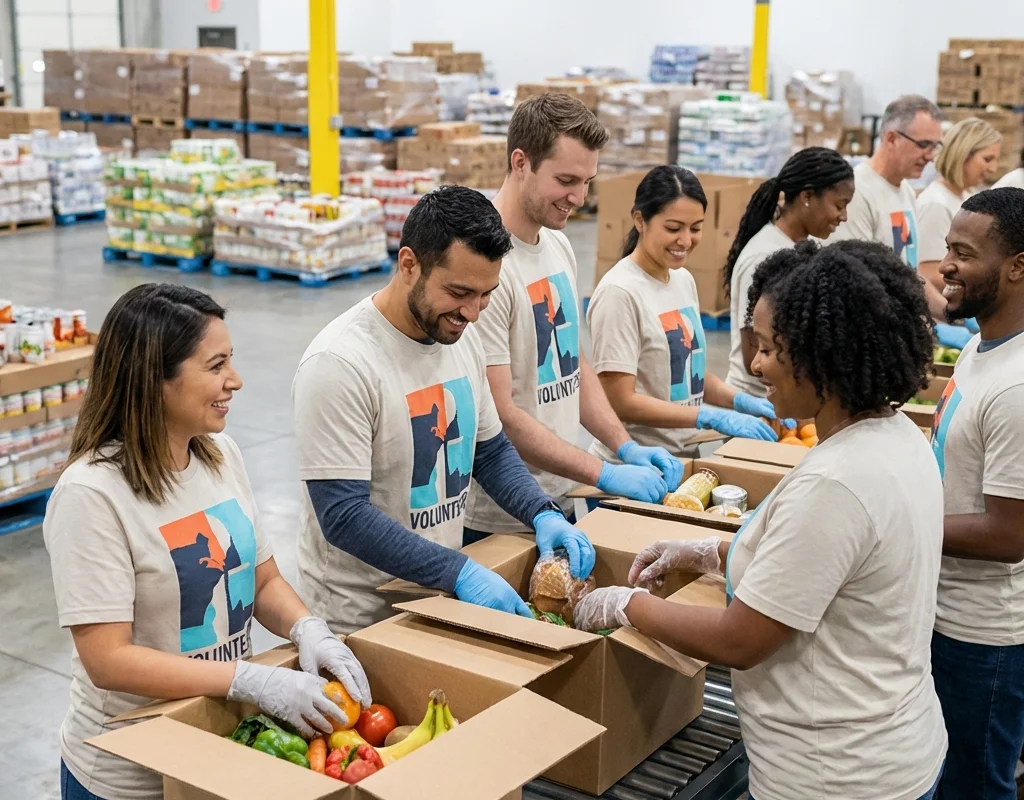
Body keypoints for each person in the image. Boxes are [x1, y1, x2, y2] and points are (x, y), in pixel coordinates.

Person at [572, 239, 948, 800]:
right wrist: (710, 552)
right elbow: (825, 566)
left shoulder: (836, 483)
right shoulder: (893, 436)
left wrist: (627, 605)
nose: (754, 363)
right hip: (896, 743)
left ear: (824, 356)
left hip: (838, 777)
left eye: (771, 348)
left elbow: (738, 641)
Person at [43, 285, 371, 800]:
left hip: (214, 745)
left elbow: (261, 580)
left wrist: (309, 629)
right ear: (155, 380)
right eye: (216, 366)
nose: (235, 381)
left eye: (231, 361)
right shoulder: (92, 494)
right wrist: (249, 681)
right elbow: (108, 660)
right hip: (130, 774)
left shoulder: (220, 453)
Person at [292, 185, 595, 636]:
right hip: (361, 623)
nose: (473, 312)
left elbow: (488, 451)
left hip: (435, 598)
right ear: (409, 263)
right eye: (459, 292)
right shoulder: (341, 363)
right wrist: (460, 572)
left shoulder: (460, 337)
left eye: (486, 294)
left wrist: (540, 511)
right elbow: (343, 515)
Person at [463, 93, 684, 543]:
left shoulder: (558, 246)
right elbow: (500, 414)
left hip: (560, 494)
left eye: (588, 181)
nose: (579, 198)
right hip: (498, 516)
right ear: (520, 162)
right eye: (566, 180)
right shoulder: (484, 265)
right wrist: (602, 472)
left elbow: (572, 365)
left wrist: (623, 446)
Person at [585, 164, 788, 458]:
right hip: (635, 464)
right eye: (673, 228)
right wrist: (705, 416)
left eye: (695, 228)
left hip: (683, 457)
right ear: (640, 220)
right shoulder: (620, 293)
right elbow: (620, 402)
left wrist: (739, 401)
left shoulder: (682, 279)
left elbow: (686, 372)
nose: (685, 241)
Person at [929, 187, 1024, 799]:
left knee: (973, 785)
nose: (945, 267)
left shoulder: (1016, 386)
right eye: (947, 249)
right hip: (942, 613)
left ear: (1018, 267)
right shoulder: (978, 345)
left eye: (964, 253)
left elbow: (1009, 533)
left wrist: (901, 523)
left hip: (983, 641)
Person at [832, 94, 968, 349]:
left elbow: (908, 273)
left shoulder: (905, 191)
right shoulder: (856, 192)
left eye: (935, 146)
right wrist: (928, 327)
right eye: (923, 144)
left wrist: (951, 314)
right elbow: (858, 285)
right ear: (891, 138)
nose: (930, 156)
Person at [723, 147, 854, 396]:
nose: (844, 216)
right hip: (759, 405)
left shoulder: (803, 247)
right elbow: (754, 356)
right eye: (839, 205)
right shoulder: (763, 256)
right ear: (807, 196)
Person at [918, 117, 1001, 293]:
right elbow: (930, 274)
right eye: (987, 159)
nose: (993, 168)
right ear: (963, 155)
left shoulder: (968, 196)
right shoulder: (936, 204)